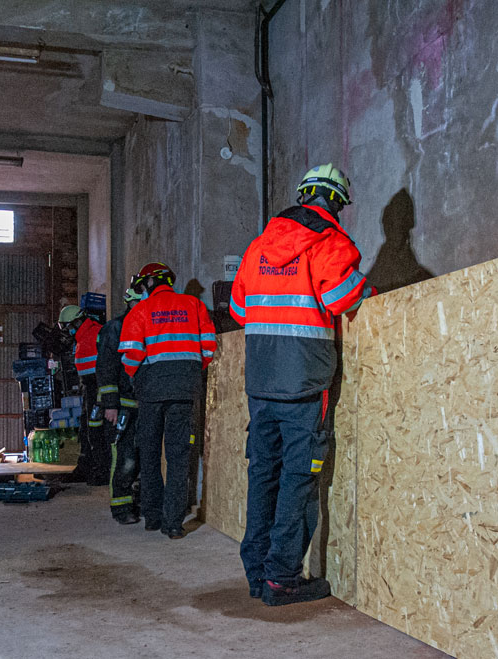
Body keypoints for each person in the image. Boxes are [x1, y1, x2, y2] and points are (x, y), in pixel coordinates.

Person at [229, 163, 375, 606]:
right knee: (298, 481)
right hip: (305, 386)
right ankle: (281, 579)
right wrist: (367, 289)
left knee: (262, 476)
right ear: (336, 202)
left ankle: (257, 573)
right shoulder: (330, 242)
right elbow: (343, 298)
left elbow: (239, 309)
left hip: (261, 385)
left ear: (303, 195)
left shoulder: (258, 246)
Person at [119, 262, 217, 539]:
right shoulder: (194, 306)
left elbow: (130, 356)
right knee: (178, 458)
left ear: (149, 283)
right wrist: (187, 373)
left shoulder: (141, 310)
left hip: (151, 392)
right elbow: (208, 348)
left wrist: (141, 378)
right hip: (184, 390)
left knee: (149, 455)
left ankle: (152, 516)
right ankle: (173, 524)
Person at [95, 286, 144, 524]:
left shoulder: (142, 324)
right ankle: (121, 507)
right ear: (132, 303)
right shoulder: (115, 328)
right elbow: (106, 368)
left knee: (142, 457)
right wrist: (110, 404)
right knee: (125, 458)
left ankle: (139, 501)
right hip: (122, 404)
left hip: (143, 403)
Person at [58, 305, 109, 485]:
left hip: (100, 387)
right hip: (89, 387)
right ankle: (86, 468)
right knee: (86, 429)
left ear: (76, 322)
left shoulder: (96, 333)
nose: (66, 332)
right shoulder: (82, 336)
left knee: (97, 430)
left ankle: (103, 471)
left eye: (66, 327)